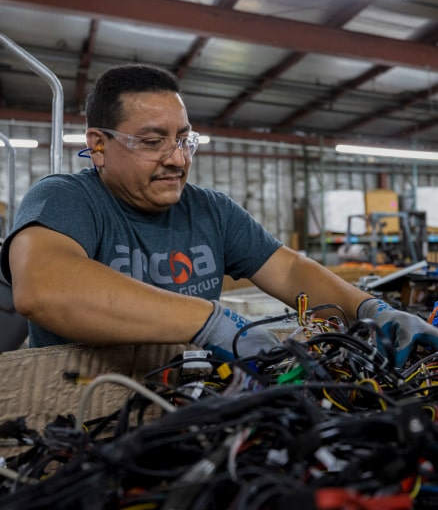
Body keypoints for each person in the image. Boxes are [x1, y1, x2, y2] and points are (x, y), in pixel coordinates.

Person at [1, 63, 437, 367]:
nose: (177, 158)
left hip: (193, 391)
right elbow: (43, 289)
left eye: (184, 139)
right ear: (98, 145)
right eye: (153, 141)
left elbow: (289, 271)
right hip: (83, 400)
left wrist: (372, 310)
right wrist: (211, 322)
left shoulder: (210, 210)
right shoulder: (65, 199)